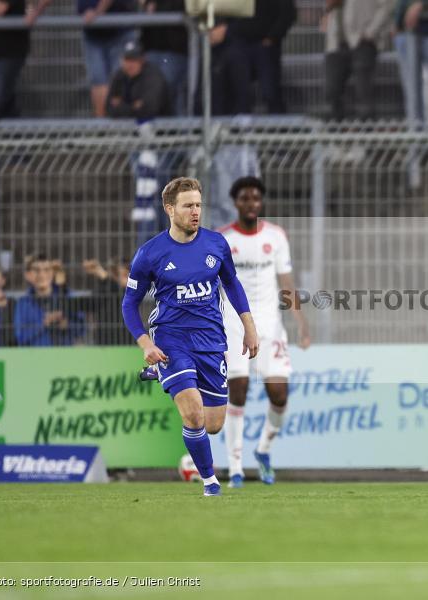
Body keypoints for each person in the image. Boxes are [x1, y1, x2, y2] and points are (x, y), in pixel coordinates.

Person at [121, 177, 259, 497]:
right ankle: (211, 483)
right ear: (170, 209)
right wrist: (145, 342)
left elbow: (233, 285)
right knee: (193, 414)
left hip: (211, 339)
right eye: (188, 206)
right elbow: (129, 303)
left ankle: (160, 373)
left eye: (198, 205)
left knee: (213, 425)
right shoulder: (150, 253)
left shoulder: (216, 244)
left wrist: (249, 326)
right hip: (171, 338)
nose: (195, 211)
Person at [218, 177, 311, 488]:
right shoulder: (223, 239)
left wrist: (301, 322)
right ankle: (234, 470)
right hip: (234, 322)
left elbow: (286, 282)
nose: (251, 203)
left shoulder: (276, 236)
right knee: (239, 389)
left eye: (256, 198)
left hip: (270, 324)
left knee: (279, 394)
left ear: (261, 202)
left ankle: (263, 450)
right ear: (236, 202)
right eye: (245, 198)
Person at [210, 0, 297, 115]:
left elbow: (288, 13)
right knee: (239, 91)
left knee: (270, 91)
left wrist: (272, 38)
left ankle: (279, 127)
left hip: (264, 45)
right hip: (239, 43)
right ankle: (241, 127)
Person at [322, 0, 395, 121]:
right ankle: (335, 134)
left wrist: (370, 32)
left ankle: (366, 135)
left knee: (364, 93)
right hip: (335, 42)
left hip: (362, 41)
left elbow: (387, 6)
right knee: (331, 92)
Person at [77, 0, 139, 117]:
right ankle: (104, 126)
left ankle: (119, 125)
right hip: (92, 34)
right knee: (98, 80)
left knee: (119, 80)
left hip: (119, 30)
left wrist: (97, 12)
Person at [14, 255, 84, 346]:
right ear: (28, 275)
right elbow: (20, 337)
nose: (42, 275)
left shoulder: (67, 296)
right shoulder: (22, 303)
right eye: (36, 270)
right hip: (35, 358)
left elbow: (82, 329)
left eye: (46, 270)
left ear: (52, 273)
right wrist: (44, 323)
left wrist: (67, 324)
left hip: (64, 356)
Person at [141, 0, 188, 115]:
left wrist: (156, 9)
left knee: (167, 86)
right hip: (151, 47)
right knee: (148, 88)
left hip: (175, 49)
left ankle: (176, 128)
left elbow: (184, 8)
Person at [106, 41, 172, 120]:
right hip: (127, 128)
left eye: (134, 60)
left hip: (158, 128)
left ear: (142, 60)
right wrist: (134, 107)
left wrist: (121, 106)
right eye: (127, 60)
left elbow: (149, 109)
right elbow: (109, 108)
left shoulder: (153, 75)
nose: (129, 65)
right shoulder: (119, 75)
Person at [81, 257, 131, 344]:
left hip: (125, 339)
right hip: (103, 340)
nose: (119, 279)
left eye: (125, 275)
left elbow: (117, 288)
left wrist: (101, 272)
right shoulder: (105, 289)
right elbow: (88, 304)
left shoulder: (130, 291)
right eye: (116, 275)